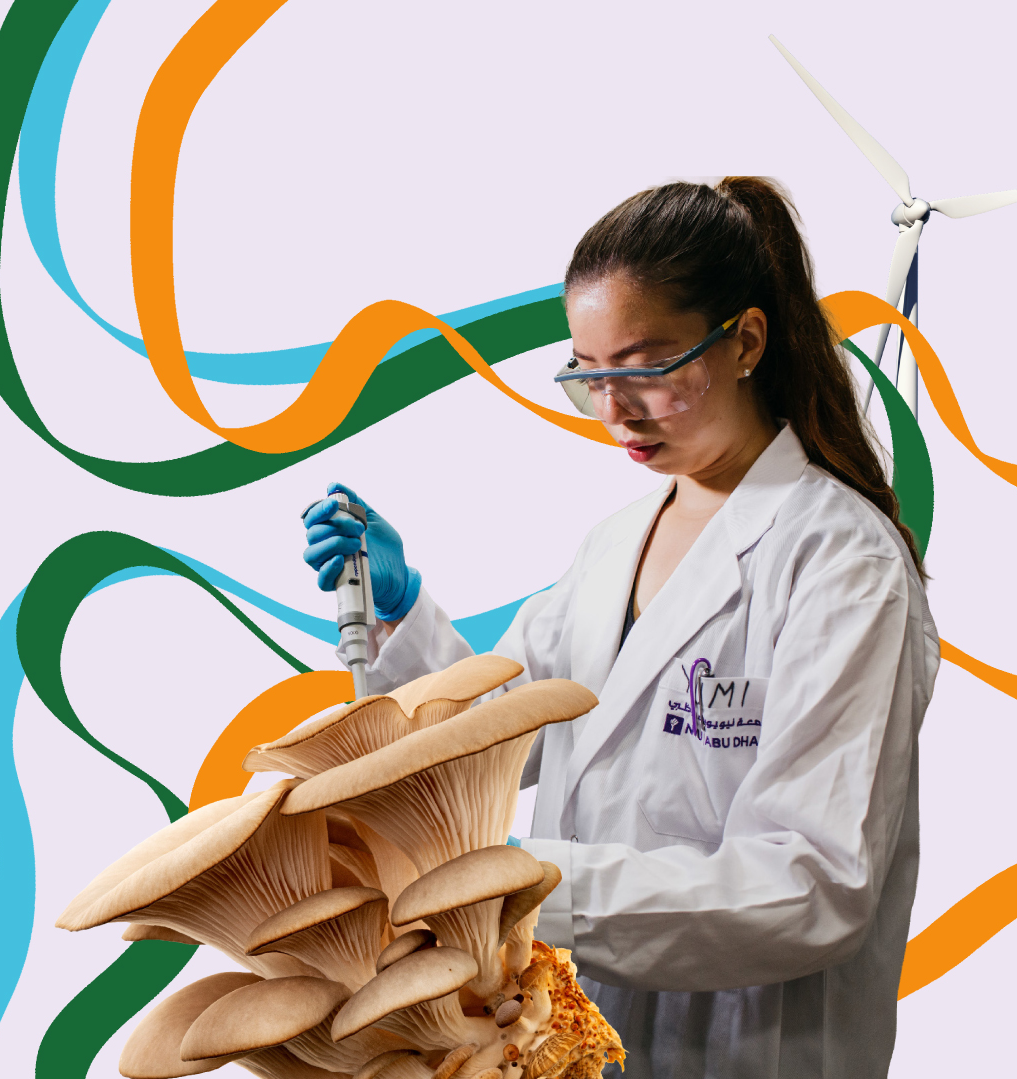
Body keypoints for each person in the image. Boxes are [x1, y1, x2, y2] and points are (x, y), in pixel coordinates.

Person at [301, 177, 940, 1079]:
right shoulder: (612, 550)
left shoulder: (840, 562)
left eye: (643, 368)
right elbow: (486, 751)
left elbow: (813, 884)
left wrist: (534, 885)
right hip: (573, 1039)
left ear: (746, 340)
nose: (613, 409)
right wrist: (403, 614)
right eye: (589, 374)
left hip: (752, 1052)